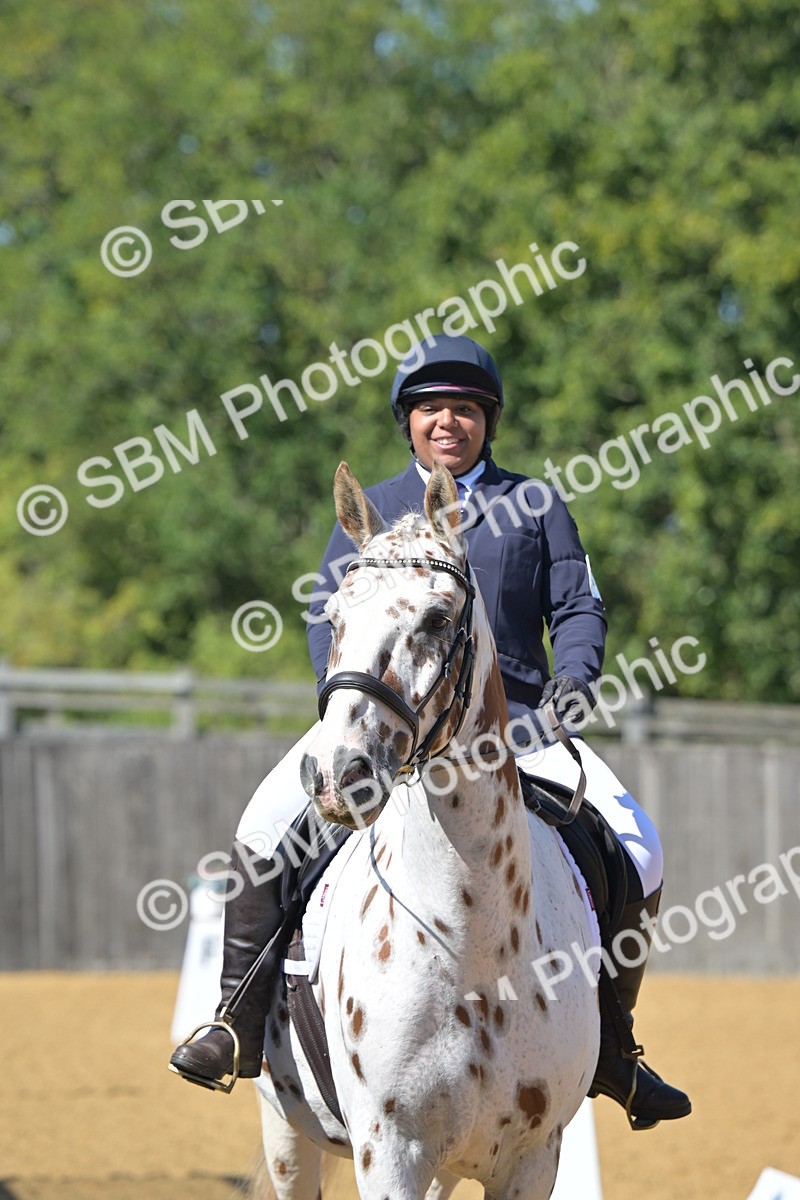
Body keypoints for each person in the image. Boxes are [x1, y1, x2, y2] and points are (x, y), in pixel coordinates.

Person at [170, 334, 691, 1129]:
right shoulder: (370, 509)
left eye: (466, 409)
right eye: (431, 409)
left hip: (516, 725)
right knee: (265, 824)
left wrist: (572, 684)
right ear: (409, 421)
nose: (449, 422)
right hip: (387, 724)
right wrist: (348, 707)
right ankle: (234, 1021)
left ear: (488, 420)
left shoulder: (538, 505)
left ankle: (616, 1049)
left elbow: (579, 607)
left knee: (640, 844)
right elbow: (325, 617)